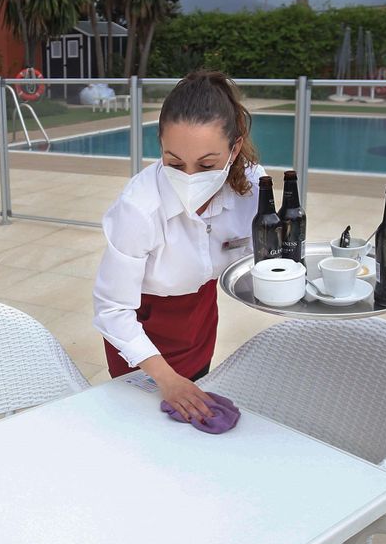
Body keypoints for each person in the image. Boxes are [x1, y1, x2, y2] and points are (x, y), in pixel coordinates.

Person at [93, 70, 262, 421]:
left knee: (193, 418)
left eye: (206, 165)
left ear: (234, 148)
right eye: (173, 162)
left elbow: (261, 259)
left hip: (199, 324)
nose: (188, 177)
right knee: (141, 428)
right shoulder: (139, 208)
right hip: (141, 337)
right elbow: (112, 311)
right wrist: (167, 379)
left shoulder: (254, 189)